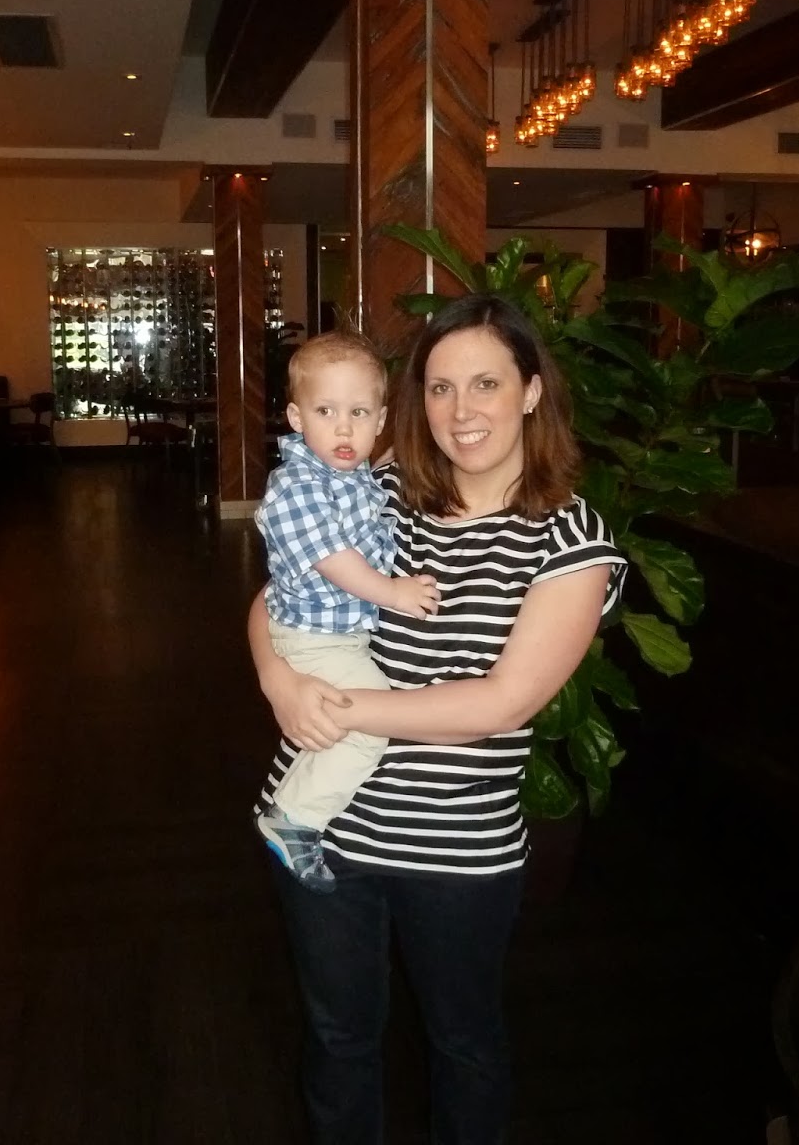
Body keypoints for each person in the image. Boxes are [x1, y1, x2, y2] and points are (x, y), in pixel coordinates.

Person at [249, 293, 626, 1145]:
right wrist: (278, 680)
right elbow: (277, 598)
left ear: (532, 390)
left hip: (456, 852)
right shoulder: (378, 489)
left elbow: (502, 703)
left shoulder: (571, 540)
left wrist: (338, 708)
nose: (461, 411)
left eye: (486, 383)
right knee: (339, 1039)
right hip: (320, 831)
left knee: (464, 1044)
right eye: (440, 387)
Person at [253, 331, 440, 894]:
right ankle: (294, 817)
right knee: (365, 726)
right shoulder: (296, 485)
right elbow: (333, 559)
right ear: (296, 417)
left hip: (332, 636)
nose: (342, 428)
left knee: (339, 724)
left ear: (380, 420)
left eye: (358, 413)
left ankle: (295, 806)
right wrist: (393, 593)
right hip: (313, 638)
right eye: (325, 411)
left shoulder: (352, 476)